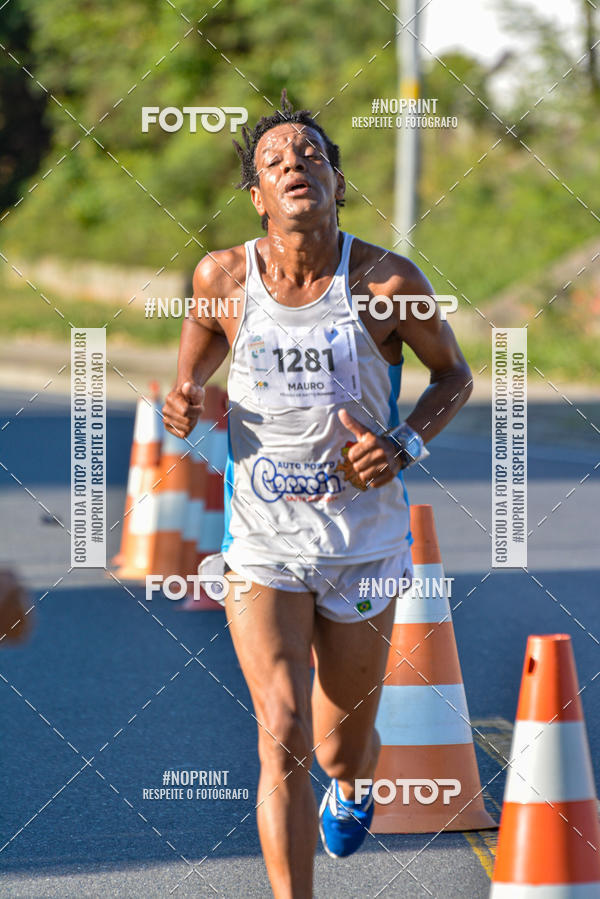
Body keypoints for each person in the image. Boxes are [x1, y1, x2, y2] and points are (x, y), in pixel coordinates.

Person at [162, 91, 473, 899]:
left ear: (337, 180)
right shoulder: (223, 275)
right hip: (262, 543)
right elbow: (192, 361)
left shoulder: (385, 281)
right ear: (257, 196)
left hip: (362, 544)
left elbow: (454, 375)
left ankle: (356, 784)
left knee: (340, 745)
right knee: (283, 735)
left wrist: (403, 443)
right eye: (275, 162)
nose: (294, 165)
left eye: (310, 156)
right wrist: (186, 394)